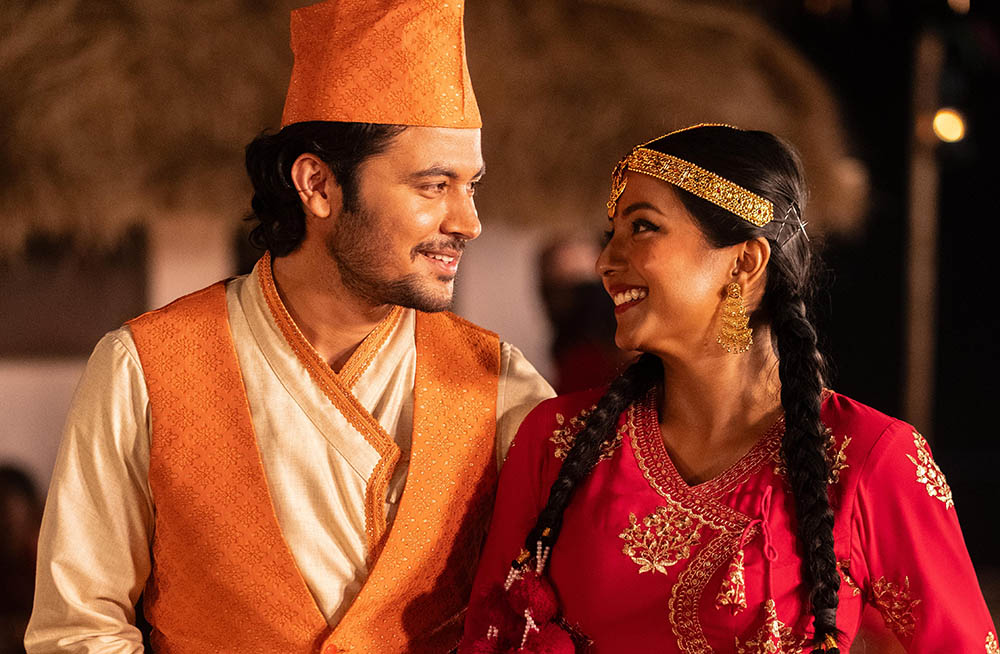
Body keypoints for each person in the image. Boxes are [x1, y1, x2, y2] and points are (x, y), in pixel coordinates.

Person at [26, 2, 553, 653]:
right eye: (433, 185)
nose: (467, 222)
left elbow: (563, 599)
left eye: (471, 186)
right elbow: (79, 627)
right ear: (318, 184)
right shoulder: (144, 366)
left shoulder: (500, 383)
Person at [460, 124, 997, 653]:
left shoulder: (869, 457)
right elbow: (488, 634)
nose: (605, 263)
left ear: (744, 262)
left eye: (642, 227)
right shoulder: (557, 439)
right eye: (610, 235)